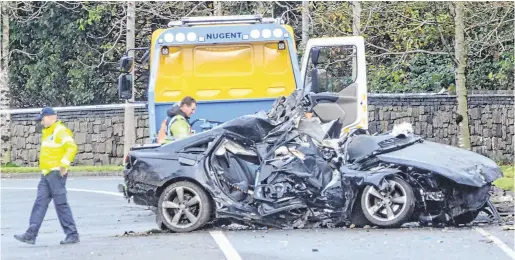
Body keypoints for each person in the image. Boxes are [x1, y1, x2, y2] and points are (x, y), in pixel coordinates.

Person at [14, 107, 80, 245]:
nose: (42, 122)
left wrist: (64, 164)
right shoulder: (48, 131)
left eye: (42, 119)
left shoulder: (59, 130)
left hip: (56, 173)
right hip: (47, 174)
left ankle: (72, 234)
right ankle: (31, 234)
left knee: (61, 204)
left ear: (51, 117)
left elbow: (72, 147)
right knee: (40, 203)